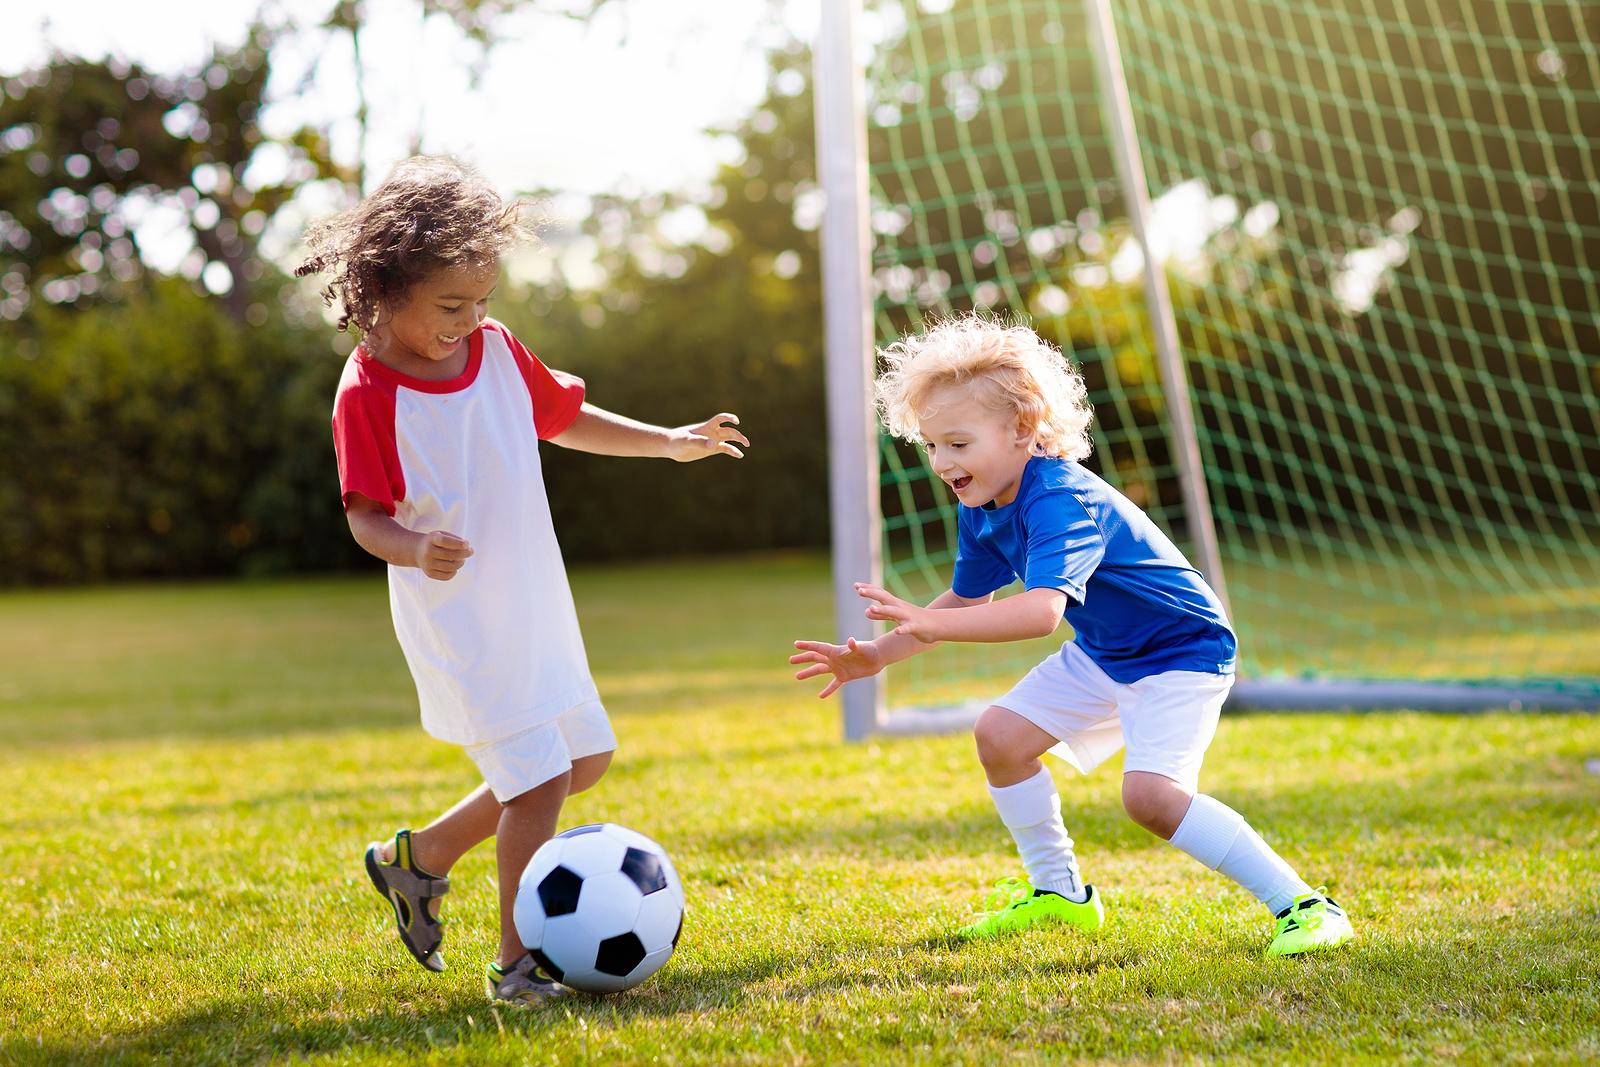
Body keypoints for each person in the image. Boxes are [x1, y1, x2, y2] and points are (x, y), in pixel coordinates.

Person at [298, 156, 749, 1005]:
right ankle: (516, 967)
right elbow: (363, 514)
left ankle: (419, 858)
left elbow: (566, 415)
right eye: (449, 307)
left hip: (534, 601)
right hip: (463, 618)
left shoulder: (497, 350)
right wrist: (412, 544)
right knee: (539, 783)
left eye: (481, 302)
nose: (469, 322)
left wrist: (669, 439)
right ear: (384, 287)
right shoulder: (367, 390)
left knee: (586, 755)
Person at [790, 315, 1351, 957]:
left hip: (1181, 653)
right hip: (1108, 653)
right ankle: (1060, 895)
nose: (943, 463)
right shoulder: (982, 504)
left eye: (959, 444)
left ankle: (1306, 905)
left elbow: (1038, 613)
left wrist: (928, 621)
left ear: (1023, 430)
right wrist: (878, 656)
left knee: (1152, 799)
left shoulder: (1060, 498)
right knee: (1000, 737)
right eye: (933, 446)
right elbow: (968, 598)